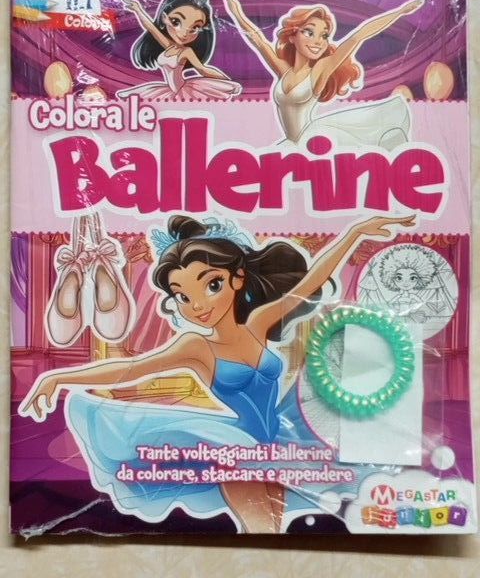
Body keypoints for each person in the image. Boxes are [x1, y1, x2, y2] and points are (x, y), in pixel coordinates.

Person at [20, 213, 415, 533]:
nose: (197, 306)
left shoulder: (258, 324)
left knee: (272, 530)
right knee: (262, 529)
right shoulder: (195, 347)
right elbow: (131, 369)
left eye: (211, 285)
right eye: (182, 296)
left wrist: (355, 233)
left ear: (237, 279)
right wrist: (58, 378)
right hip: (232, 448)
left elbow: (311, 280)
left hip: (277, 441)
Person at [221, 0, 424, 149]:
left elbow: (359, 35)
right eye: (309, 32)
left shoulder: (320, 70)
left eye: (324, 35)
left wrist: (400, 11)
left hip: (313, 139)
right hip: (293, 144)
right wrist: (236, 11)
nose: (318, 41)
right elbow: (258, 40)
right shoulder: (284, 70)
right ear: (292, 36)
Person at [116, 0, 241, 100]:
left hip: (184, 91)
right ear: (164, 18)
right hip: (169, 91)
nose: (184, 33)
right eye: (176, 22)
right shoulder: (168, 46)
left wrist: (228, 82)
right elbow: (151, 28)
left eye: (195, 27)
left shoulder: (186, 51)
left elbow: (202, 69)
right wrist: (138, 9)